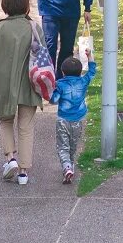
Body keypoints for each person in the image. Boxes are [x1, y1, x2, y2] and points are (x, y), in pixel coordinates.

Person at [0, 0, 46, 185]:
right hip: (29, 83)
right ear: (26, 7)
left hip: (6, 86)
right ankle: (24, 171)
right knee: (26, 126)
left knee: (6, 121)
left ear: (5, 7)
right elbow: (43, 56)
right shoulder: (34, 27)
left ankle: (11, 158)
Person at [51, 48, 97, 184]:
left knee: (62, 146)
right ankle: (70, 167)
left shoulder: (60, 84)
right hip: (78, 120)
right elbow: (92, 72)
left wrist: (50, 91)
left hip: (63, 120)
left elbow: (54, 100)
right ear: (79, 71)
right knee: (73, 145)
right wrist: (90, 56)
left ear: (63, 72)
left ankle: (67, 167)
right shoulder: (83, 82)